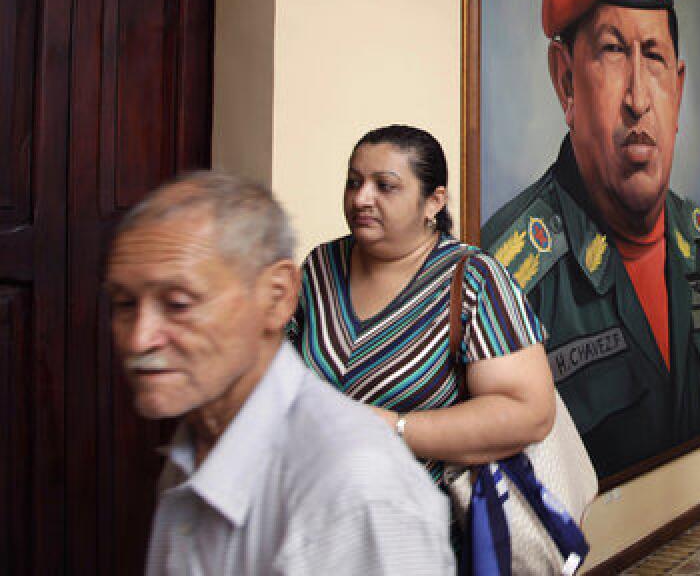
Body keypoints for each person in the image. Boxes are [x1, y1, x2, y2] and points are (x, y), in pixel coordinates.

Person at [481, 0, 700, 478]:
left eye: (655, 56)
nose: (639, 97)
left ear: (680, 87)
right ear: (566, 80)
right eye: (614, 52)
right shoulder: (512, 277)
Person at [106, 172, 453, 575]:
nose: (139, 339)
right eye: (124, 304)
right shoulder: (189, 454)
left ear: (277, 296)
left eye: (179, 304)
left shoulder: (355, 487)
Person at [290, 125, 556, 493]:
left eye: (385, 186)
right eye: (354, 182)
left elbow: (530, 415)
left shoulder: (474, 280)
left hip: (418, 524)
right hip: (313, 512)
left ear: (434, 201)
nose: (362, 198)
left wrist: (395, 427)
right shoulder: (321, 265)